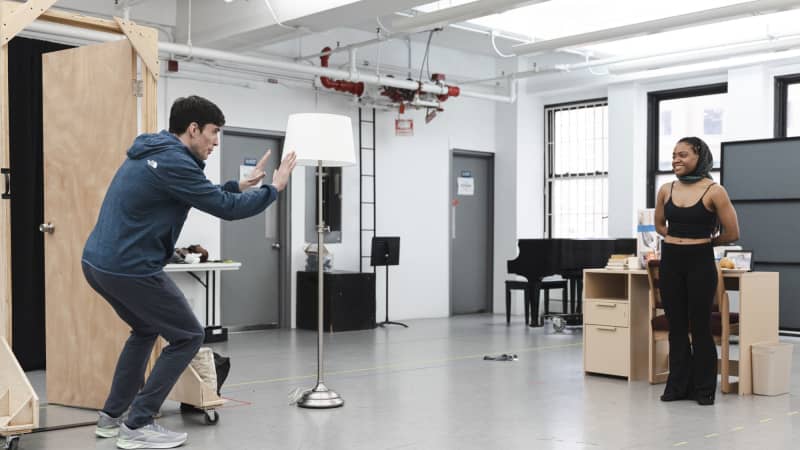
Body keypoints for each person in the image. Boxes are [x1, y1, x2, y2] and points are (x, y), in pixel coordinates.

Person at [82, 95, 297, 448]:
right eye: (213, 133)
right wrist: (274, 189)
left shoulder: (156, 153)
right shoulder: (174, 161)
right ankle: (136, 426)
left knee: (145, 329)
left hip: (98, 263)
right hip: (130, 266)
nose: (215, 141)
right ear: (193, 129)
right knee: (188, 336)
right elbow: (225, 209)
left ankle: (110, 419)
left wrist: (238, 186)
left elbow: (206, 193)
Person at [654, 136, 739, 406]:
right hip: (671, 260)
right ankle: (677, 386)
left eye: (683, 155)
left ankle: (703, 389)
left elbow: (732, 232)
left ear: (699, 157)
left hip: (700, 260)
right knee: (676, 326)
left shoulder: (715, 190)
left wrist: (702, 241)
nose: (676, 159)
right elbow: (659, 225)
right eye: (674, 154)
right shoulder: (666, 189)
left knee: (700, 326)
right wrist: (678, 238)